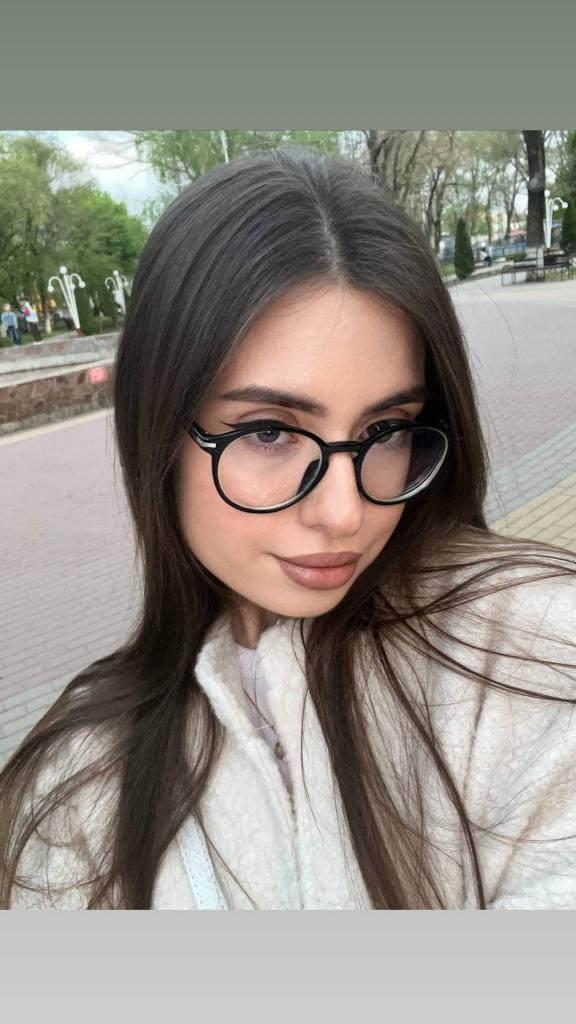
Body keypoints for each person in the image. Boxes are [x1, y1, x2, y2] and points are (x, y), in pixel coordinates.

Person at [1, 150, 575, 911]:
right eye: (269, 431)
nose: (345, 513)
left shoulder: (525, 654)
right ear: (158, 432)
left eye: (386, 430)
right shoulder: (79, 787)